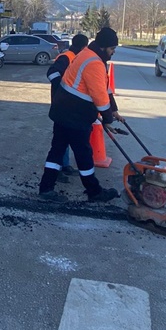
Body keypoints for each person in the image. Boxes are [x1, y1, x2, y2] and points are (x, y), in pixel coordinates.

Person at [38, 27, 124, 203]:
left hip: (64, 110)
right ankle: (94, 191)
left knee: (57, 149)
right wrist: (107, 119)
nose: (113, 52)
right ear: (104, 47)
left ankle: (46, 188)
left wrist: (113, 110)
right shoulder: (94, 62)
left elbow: (104, 88)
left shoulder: (89, 54)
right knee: (83, 152)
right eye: (112, 49)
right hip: (74, 115)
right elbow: (99, 97)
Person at [46, 33, 88, 183]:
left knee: (64, 138)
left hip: (67, 105)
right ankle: (57, 170)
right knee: (61, 140)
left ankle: (64, 166)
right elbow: (51, 73)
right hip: (62, 104)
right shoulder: (67, 57)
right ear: (83, 47)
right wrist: (62, 90)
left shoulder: (75, 57)